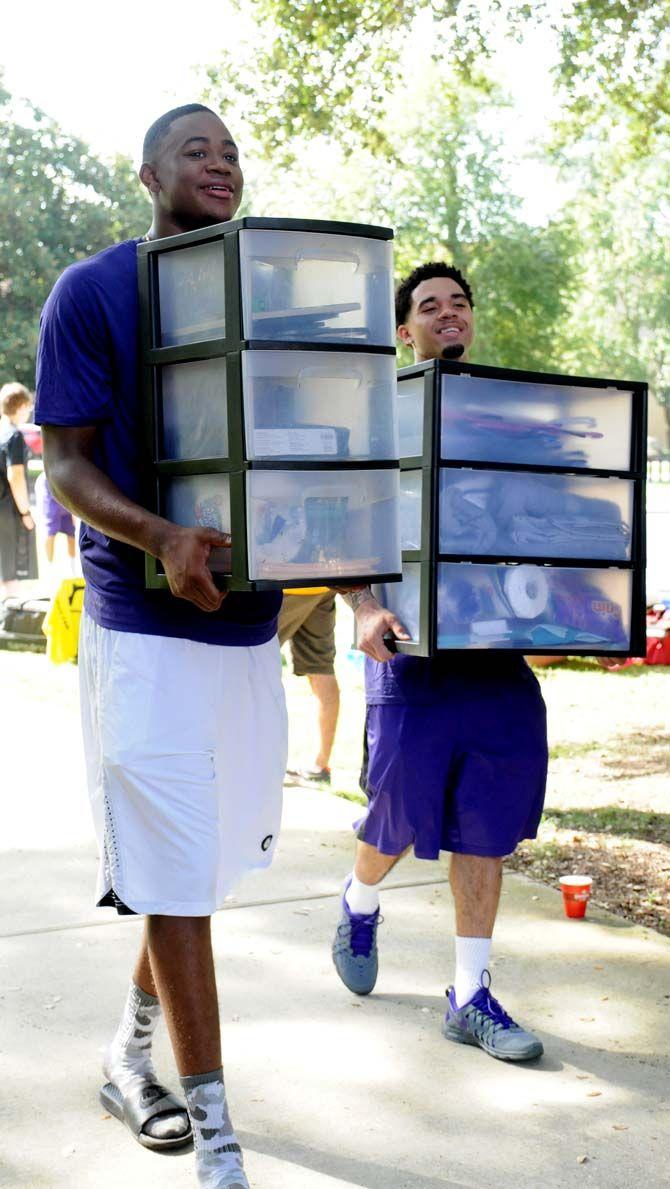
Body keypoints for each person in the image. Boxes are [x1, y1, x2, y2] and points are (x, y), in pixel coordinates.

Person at [35, 104, 288, 1189]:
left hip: (247, 625)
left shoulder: (271, 292)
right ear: (147, 174)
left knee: (204, 868)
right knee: (177, 880)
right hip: (142, 624)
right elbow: (67, 464)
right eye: (197, 150)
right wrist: (162, 536)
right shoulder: (92, 292)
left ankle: (127, 1056)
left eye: (232, 151)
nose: (220, 164)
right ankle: (216, 1126)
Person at [332, 263, 548, 1062]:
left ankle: (469, 993)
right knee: (399, 813)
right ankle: (359, 899)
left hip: (494, 656)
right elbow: (336, 521)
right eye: (430, 306)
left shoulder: (503, 417)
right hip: (408, 653)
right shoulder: (379, 419)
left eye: (459, 304)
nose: (449, 314)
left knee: (484, 824)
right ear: (405, 330)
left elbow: (546, 516)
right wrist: (361, 606)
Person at [279, 587, 341, 785]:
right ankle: (320, 764)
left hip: (286, 581)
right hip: (324, 581)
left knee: (253, 660)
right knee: (321, 669)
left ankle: (257, 763)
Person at [0, 382, 38, 596]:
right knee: (11, 571)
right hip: (9, 511)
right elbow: (15, 476)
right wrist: (25, 512)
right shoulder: (13, 436)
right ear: (22, 406)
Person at [34, 469, 77, 571]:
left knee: (71, 534)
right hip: (50, 484)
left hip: (66, 486)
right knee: (50, 533)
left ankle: (72, 567)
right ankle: (49, 566)